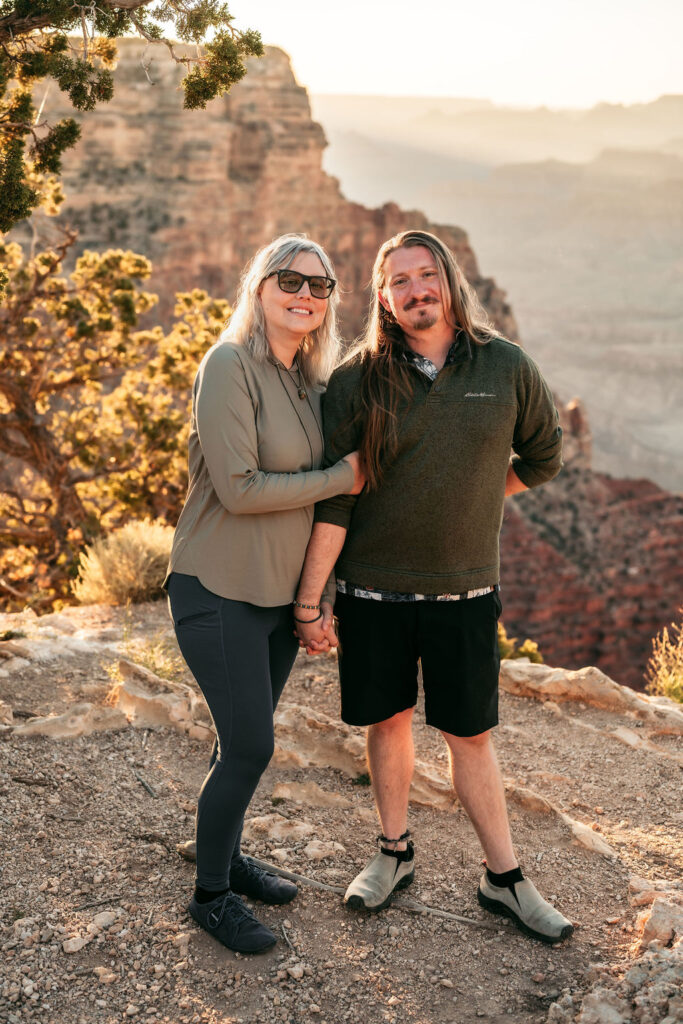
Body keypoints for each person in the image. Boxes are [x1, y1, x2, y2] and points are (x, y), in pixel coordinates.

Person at [294, 229, 574, 944]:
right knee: (385, 723)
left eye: (426, 276)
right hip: (372, 593)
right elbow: (336, 496)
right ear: (383, 297)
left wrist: (482, 495)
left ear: (448, 282)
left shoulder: (504, 366)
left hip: (465, 594)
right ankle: (392, 853)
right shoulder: (357, 380)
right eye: (399, 281)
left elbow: (542, 457)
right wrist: (313, 598)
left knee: (469, 736)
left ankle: (503, 878)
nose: (415, 290)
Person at [165, 234, 364, 955]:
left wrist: (316, 599)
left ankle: (226, 854)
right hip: (216, 588)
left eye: (320, 286)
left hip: (277, 600)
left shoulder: (307, 382)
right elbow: (240, 490)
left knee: (235, 742)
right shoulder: (229, 366)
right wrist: (342, 477)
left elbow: (316, 508)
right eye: (290, 280)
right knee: (250, 745)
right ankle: (210, 897)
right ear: (260, 287)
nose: (305, 295)